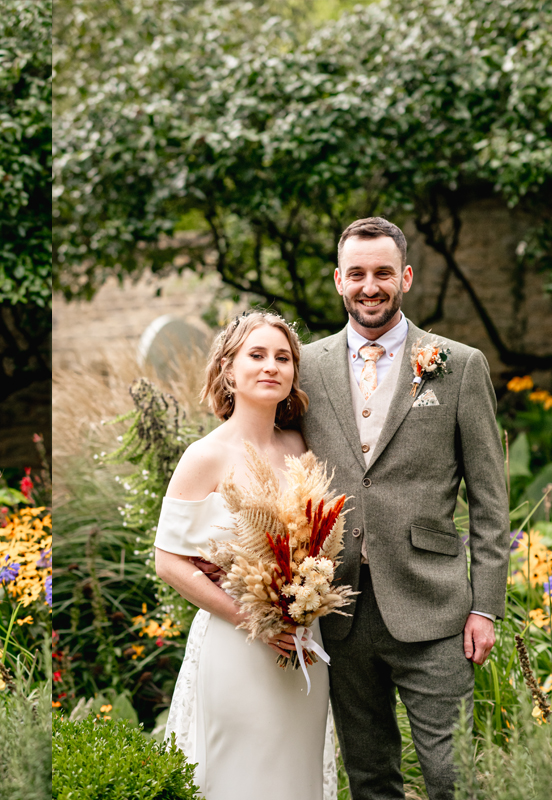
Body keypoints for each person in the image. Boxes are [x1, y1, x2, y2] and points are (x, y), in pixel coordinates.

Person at [299, 217, 510, 800]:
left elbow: (491, 503)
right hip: (340, 610)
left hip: (436, 608)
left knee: (452, 776)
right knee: (369, 779)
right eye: (358, 273)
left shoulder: (457, 365)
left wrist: (485, 608)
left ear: (406, 277)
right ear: (339, 280)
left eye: (383, 273)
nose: (371, 286)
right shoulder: (306, 367)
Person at [155, 311, 333, 799]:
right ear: (228, 370)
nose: (271, 366)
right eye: (256, 355)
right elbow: (168, 562)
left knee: (295, 776)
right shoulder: (205, 456)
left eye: (283, 357)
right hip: (239, 643)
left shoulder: (301, 446)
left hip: (303, 643)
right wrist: (256, 620)